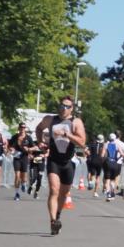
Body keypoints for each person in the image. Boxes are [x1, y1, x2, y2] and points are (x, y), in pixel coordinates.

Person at [35, 96, 86, 235]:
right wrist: (40, 142)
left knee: (63, 193)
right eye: (62, 105)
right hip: (54, 160)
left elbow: (82, 142)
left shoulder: (76, 122)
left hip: (69, 161)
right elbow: (39, 128)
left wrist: (67, 134)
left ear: (72, 109)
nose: (64, 108)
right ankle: (53, 221)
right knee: (54, 190)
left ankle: (57, 214)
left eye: (67, 106)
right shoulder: (50, 119)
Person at [8, 123, 32, 200]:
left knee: (23, 177)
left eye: (24, 127)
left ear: (25, 129)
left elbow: (34, 147)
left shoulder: (28, 138)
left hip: (24, 158)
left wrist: (29, 150)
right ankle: (17, 193)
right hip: (17, 158)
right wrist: (11, 149)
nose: (22, 129)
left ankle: (24, 183)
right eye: (21, 127)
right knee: (17, 176)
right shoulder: (15, 137)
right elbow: (9, 145)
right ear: (19, 128)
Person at [102, 132, 124, 201]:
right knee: (113, 180)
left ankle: (108, 194)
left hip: (108, 162)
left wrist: (103, 160)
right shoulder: (117, 145)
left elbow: (102, 155)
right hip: (115, 163)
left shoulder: (106, 144)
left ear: (109, 138)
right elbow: (123, 154)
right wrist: (119, 159)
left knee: (107, 180)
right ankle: (112, 192)